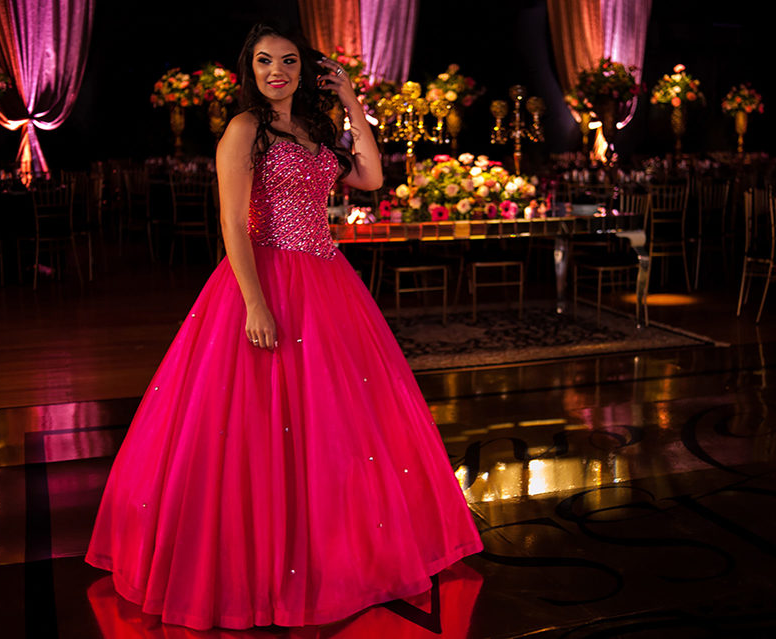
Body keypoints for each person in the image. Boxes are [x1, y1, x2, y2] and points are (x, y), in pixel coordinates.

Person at [85, 21, 482, 631]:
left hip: (325, 280)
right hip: (265, 276)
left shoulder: (314, 129)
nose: (278, 71)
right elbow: (231, 221)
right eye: (266, 61)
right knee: (257, 420)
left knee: (334, 420)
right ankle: (265, 562)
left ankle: (338, 550)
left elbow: (372, 178)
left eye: (289, 61)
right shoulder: (245, 129)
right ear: (251, 70)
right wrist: (254, 302)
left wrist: (350, 101)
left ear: (305, 69)